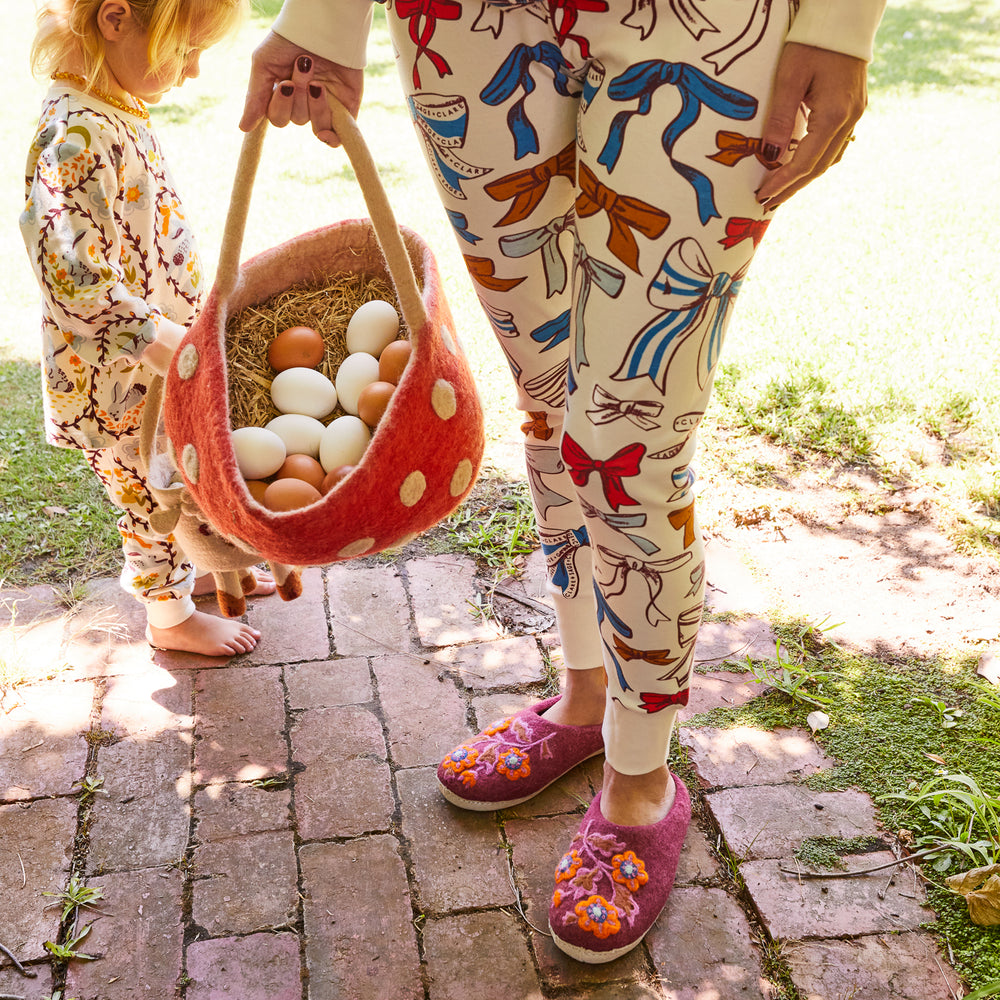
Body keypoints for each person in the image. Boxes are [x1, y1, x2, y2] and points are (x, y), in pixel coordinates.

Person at [241, 0, 885, 963]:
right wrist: (324, 15)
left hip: (702, 25)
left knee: (633, 437)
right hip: (463, 23)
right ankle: (585, 695)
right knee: (549, 403)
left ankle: (642, 780)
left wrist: (842, 19)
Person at [20, 0, 281, 658]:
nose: (192, 72)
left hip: (158, 365)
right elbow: (75, 281)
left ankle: (204, 566)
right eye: (183, 52)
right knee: (147, 497)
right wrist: (172, 344)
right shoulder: (72, 136)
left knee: (183, 473)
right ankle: (169, 621)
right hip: (115, 383)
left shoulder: (110, 108)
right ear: (115, 21)